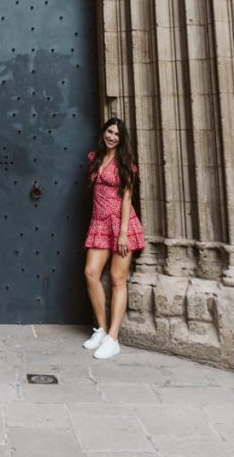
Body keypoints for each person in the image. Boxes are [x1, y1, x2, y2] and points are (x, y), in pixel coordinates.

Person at [82, 117, 144, 360]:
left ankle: (113, 339)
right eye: (109, 131)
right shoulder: (93, 157)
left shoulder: (126, 164)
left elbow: (127, 199)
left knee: (118, 279)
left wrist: (123, 233)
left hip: (120, 225)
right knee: (91, 273)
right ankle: (102, 329)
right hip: (99, 223)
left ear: (122, 138)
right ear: (103, 132)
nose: (112, 137)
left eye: (117, 134)